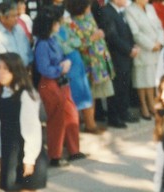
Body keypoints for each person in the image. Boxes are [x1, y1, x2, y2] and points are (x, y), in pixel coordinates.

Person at [34, 7, 86, 167]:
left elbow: (59, 56)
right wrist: (60, 68)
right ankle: (55, 155)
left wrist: (63, 64)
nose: (58, 24)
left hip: (61, 81)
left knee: (71, 113)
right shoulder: (42, 44)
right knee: (57, 118)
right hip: (50, 83)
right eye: (55, 22)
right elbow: (44, 68)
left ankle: (74, 150)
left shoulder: (52, 39)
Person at [0, 53, 48, 192]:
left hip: (25, 153)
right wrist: (1, 153)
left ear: (15, 70)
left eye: (5, 69)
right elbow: (1, 126)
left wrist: (29, 159)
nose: (0, 72)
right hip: (10, 152)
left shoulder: (26, 94)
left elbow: (32, 129)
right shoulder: (3, 93)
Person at [65, 0, 114, 133]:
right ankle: (89, 124)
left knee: (94, 93)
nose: (89, 8)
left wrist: (100, 34)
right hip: (87, 61)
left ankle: (90, 121)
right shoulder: (72, 23)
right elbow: (76, 43)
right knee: (88, 93)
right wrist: (93, 38)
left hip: (98, 60)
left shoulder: (89, 16)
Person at [100, 0, 141, 128]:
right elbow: (112, 37)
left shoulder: (120, 12)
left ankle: (123, 112)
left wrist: (133, 45)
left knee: (124, 85)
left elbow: (126, 31)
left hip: (125, 56)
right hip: (115, 56)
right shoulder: (106, 12)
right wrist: (128, 50)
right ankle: (114, 117)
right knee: (116, 87)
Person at [127, 0, 164, 121]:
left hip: (156, 48)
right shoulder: (130, 10)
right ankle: (144, 106)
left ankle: (151, 104)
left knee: (151, 79)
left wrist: (160, 42)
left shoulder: (150, 8)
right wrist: (151, 45)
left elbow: (159, 26)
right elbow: (136, 33)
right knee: (142, 79)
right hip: (143, 49)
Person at [0, 1, 34, 66]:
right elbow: (3, 60)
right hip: (11, 72)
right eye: (13, 16)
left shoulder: (18, 29)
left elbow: (28, 51)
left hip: (27, 70)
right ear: (2, 18)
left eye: (17, 15)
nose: (17, 19)